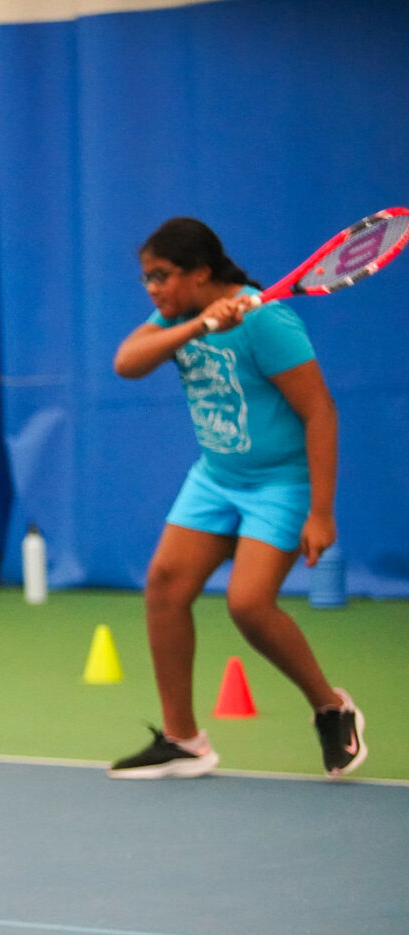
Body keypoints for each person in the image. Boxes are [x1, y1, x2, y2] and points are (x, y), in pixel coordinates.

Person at [108, 216, 364, 780]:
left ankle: (331, 707)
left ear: (201, 272)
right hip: (216, 477)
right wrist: (197, 324)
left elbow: (319, 411)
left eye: (163, 276)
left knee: (248, 605)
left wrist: (321, 511)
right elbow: (126, 363)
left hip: (281, 482)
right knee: (165, 589)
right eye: (146, 279)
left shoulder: (266, 320)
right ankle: (183, 740)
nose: (153, 290)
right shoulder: (181, 313)